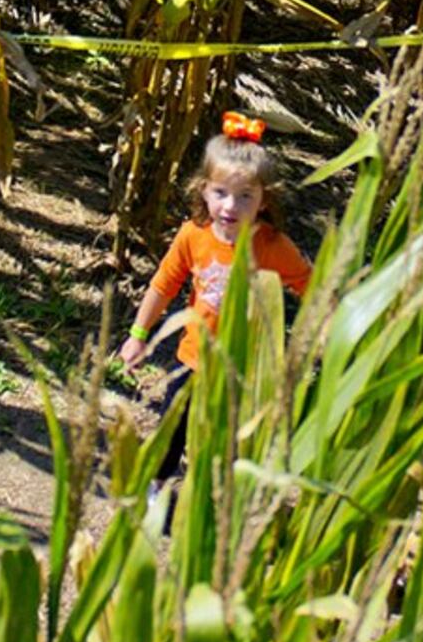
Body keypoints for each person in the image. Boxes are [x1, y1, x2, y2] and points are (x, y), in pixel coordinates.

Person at [120, 113, 314, 427]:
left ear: (264, 200)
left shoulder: (273, 246)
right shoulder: (193, 235)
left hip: (247, 371)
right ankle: (158, 478)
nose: (229, 206)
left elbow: (310, 284)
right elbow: (163, 285)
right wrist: (138, 335)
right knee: (172, 431)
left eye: (245, 196)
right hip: (193, 360)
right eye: (221, 193)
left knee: (229, 444)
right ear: (204, 190)